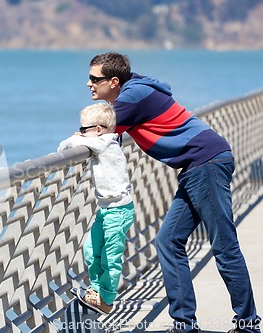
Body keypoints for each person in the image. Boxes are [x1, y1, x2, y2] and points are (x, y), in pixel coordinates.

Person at [85, 51, 261, 333]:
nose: (89, 84)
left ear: (114, 81)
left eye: (95, 79)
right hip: (197, 167)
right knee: (168, 241)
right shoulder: (133, 92)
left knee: (225, 246)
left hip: (206, 164)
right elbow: (108, 132)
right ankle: (184, 324)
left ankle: (249, 325)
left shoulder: (131, 98)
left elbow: (97, 132)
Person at [58, 103, 135, 315]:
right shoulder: (99, 140)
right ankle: (96, 289)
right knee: (91, 250)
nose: (81, 132)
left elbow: (64, 146)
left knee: (111, 256)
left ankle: (107, 299)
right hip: (105, 209)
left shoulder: (106, 142)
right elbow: (68, 147)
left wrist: (78, 138)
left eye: (84, 129)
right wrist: (84, 136)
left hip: (119, 211)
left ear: (99, 129)